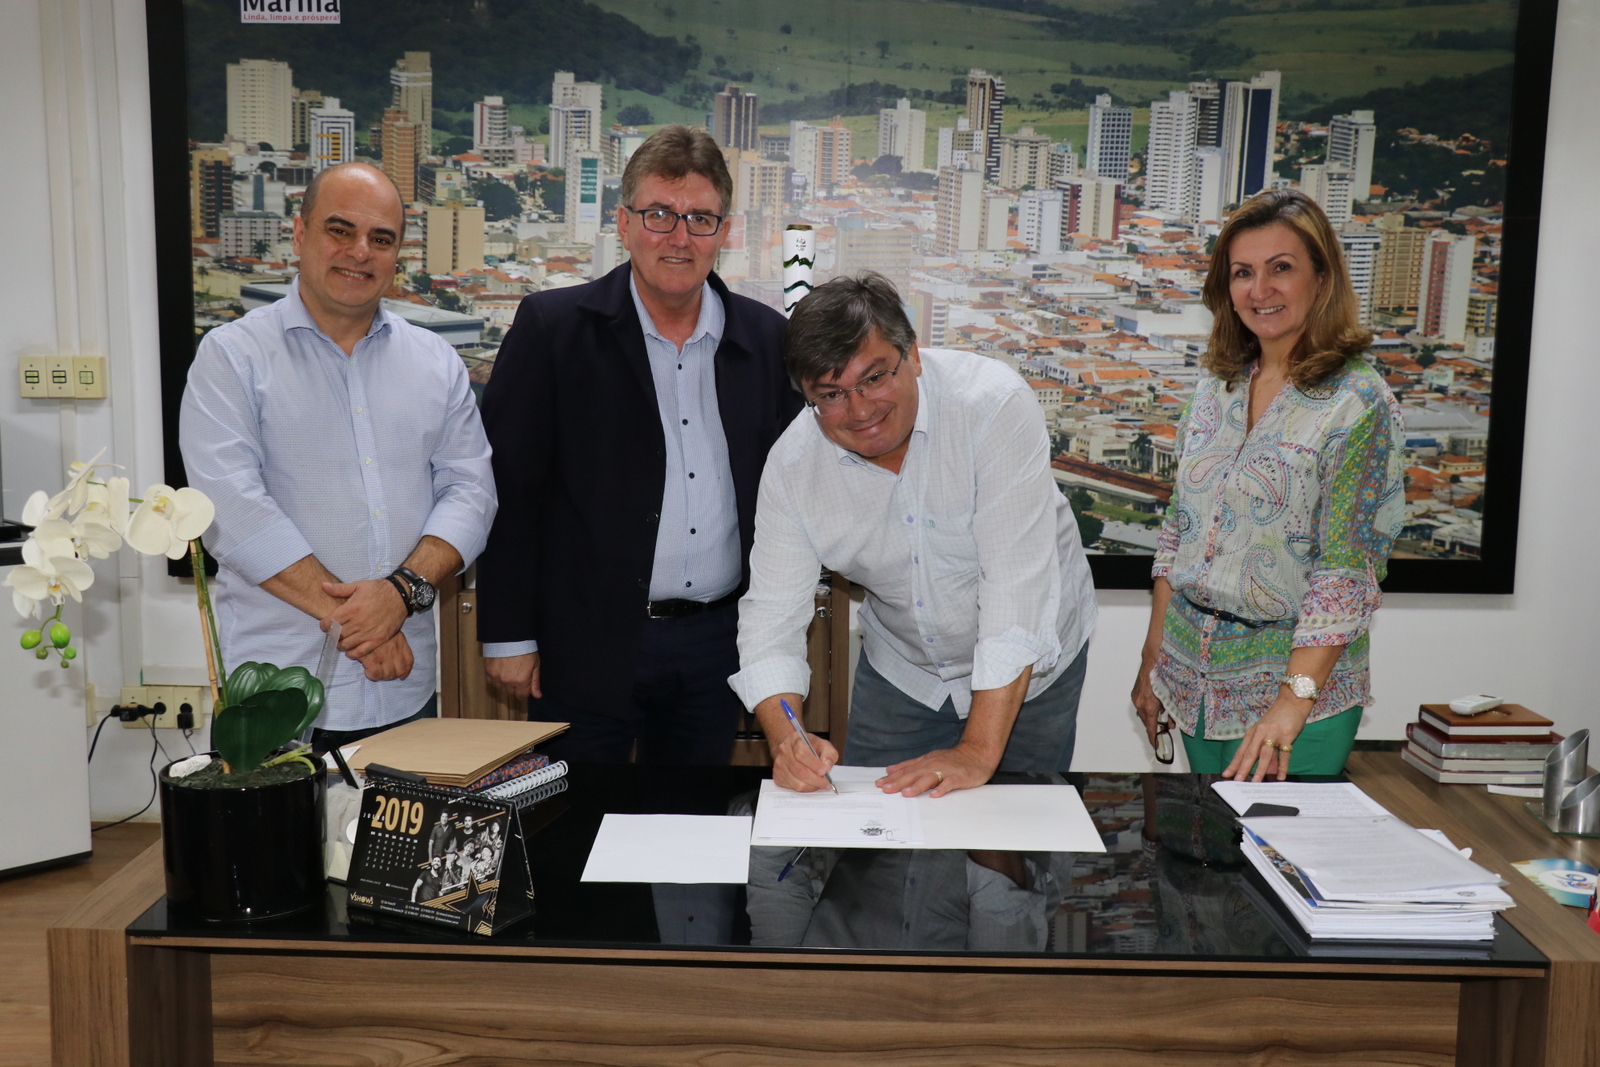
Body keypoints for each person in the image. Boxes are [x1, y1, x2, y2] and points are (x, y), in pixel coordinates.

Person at [476, 125, 802, 765]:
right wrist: (509, 636)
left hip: (716, 644)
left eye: (700, 219)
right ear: (624, 224)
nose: (679, 237)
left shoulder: (767, 340)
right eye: (659, 214)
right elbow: (510, 491)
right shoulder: (553, 330)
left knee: (692, 823)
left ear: (724, 233)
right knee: (577, 822)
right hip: (584, 642)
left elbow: (793, 488)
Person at [730, 272, 1098, 797]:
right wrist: (788, 739)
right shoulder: (793, 468)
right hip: (904, 673)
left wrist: (976, 751)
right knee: (876, 836)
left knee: (1018, 833)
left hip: (1033, 669)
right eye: (831, 394)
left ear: (914, 356)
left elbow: (1016, 594)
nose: (860, 411)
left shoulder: (993, 406)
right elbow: (771, 619)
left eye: (874, 378)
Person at [180, 162, 496, 751]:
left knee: (406, 819)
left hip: (405, 691)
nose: (360, 252)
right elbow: (231, 510)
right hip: (274, 693)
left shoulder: (436, 363)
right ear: (300, 234)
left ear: (398, 254)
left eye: (381, 238)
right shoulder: (232, 357)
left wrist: (398, 594)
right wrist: (366, 624)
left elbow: (472, 494)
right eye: (340, 229)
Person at [1130, 189, 1405, 783]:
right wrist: (1154, 656)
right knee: (1207, 843)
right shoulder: (1218, 385)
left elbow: (1344, 572)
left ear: (1321, 278)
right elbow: (1179, 530)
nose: (1260, 290)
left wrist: (1292, 702)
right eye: (1243, 273)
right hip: (1191, 685)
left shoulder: (1357, 403)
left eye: (1281, 268)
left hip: (1295, 704)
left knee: (1277, 845)